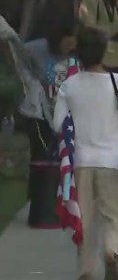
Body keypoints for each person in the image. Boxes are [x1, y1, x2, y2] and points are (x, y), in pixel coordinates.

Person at [53, 27, 118, 280]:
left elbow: (58, 124)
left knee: (85, 217)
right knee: (117, 215)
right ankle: (112, 250)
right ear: (104, 51)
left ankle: (86, 268)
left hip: (82, 160)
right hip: (114, 160)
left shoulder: (69, 86)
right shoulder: (117, 83)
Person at [19, 19, 79, 228]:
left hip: (58, 112)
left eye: (72, 46)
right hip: (37, 111)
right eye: (66, 45)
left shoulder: (72, 58)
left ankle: (48, 204)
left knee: (55, 158)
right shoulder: (37, 49)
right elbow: (17, 55)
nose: (68, 50)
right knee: (43, 156)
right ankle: (40, 206)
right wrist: (29, 80)